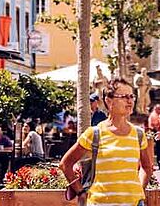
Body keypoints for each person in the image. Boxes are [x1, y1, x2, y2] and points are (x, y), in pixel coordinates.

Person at [60, 78, 153, 206]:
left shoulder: (138, 134)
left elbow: (147, 167)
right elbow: (65, 164)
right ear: (109, 101)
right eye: (124, 96)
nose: (130, 100)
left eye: (131, 96)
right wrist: (80, 192)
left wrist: (139, 189)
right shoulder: (94, 134)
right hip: (100, 202)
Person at [147, 104, 160, 170]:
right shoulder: (154, 115)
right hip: (155, 132)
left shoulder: (158, 115)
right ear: (156, 109)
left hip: (158, 132)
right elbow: (155, 125)